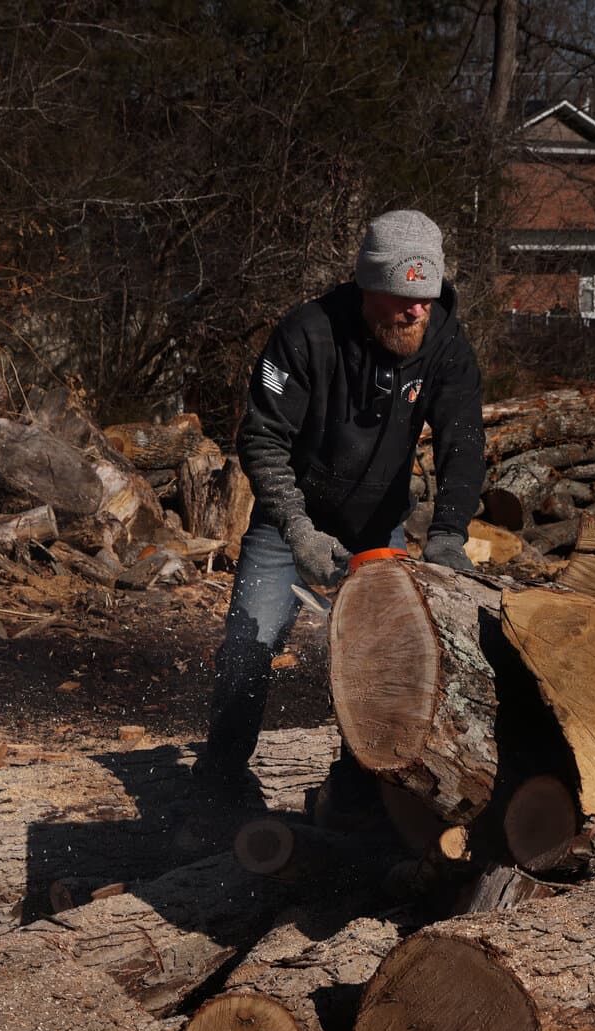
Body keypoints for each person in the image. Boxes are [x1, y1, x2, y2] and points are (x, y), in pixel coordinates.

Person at [190, 209, 486, 812]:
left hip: (378, 523)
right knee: (251, 643)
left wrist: (450, 535)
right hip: (289, 519)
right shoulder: (305, 334)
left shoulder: (445, 346)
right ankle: (220, 778)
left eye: (426, 299)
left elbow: (465, 443)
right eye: (403, 299)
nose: (416, 312)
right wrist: (298, 528)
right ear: (368, 288)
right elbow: (262, 437)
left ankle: (360, 790)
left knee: (388, 662)